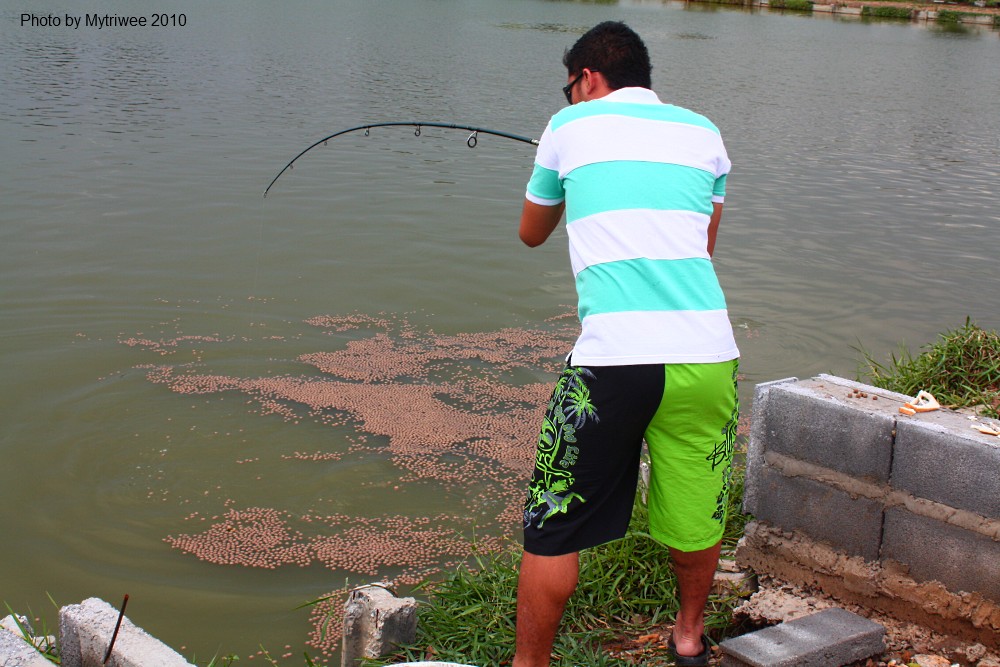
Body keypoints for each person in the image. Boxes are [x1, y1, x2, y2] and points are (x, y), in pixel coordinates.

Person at [514, 21, 740, 667]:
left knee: (553, 525)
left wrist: (558, 158)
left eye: (569, 89)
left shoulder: (567, 128)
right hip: (705, 354)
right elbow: (702, 247)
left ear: (586, 77)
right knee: (697, 509)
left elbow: (531, 233)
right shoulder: (704, 132)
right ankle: (689, 636)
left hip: (611, 363)